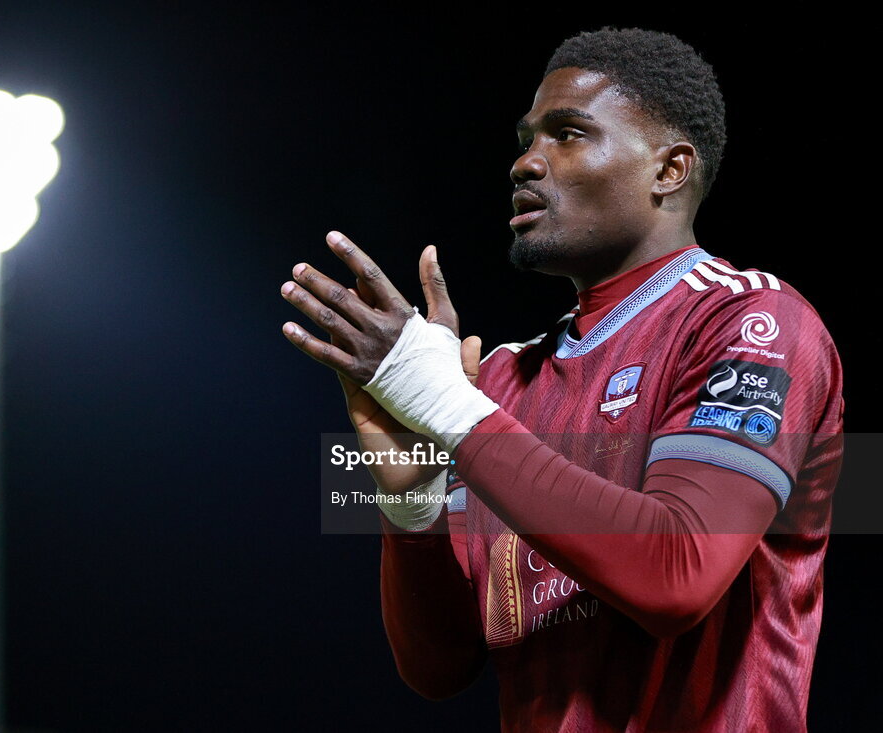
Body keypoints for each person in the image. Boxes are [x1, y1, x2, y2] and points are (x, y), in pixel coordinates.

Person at [280, 27, 843, 732]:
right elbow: (438, 668)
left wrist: (447, 406)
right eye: (526, 139)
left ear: (669, 169)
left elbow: (678, 573)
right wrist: (411, 510)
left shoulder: (754, 321)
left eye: (567, 134)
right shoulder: (498, 382)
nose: (524, 163)